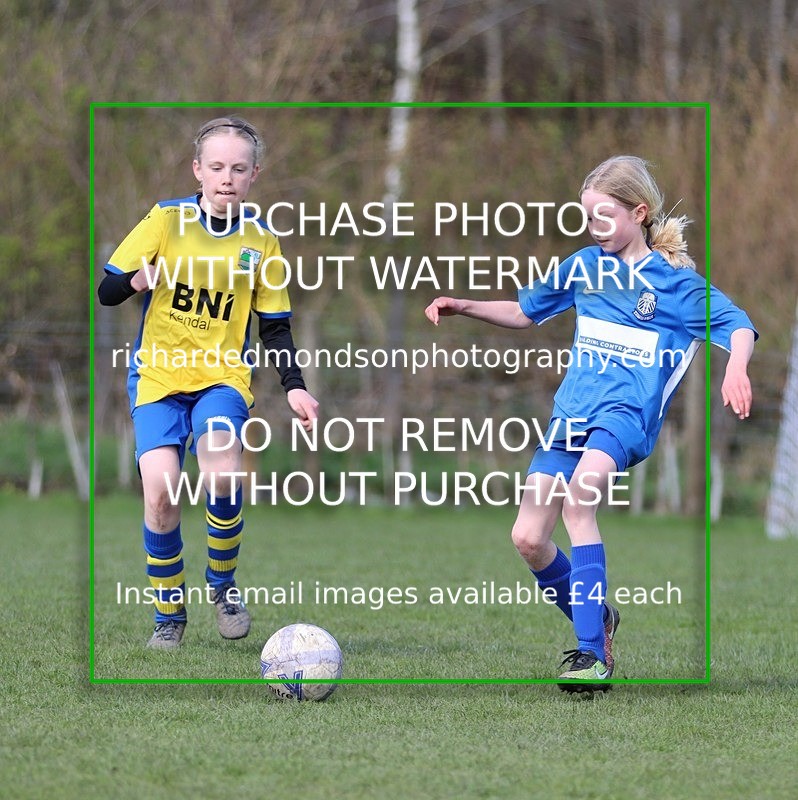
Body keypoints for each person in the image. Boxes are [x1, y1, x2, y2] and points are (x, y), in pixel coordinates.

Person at [424, 155, 756, 691]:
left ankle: (590, 657)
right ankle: (599, 619)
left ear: (638, 213)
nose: (593, 227)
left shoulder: (674, 285)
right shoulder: (584, 267)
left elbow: (737, 324)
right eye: (587, 217)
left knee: (579, 502)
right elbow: (526, 310)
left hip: (624, 418)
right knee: (528, 537)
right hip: (571, 414)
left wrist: (736, 368)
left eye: (604, 216)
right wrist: (464, 305)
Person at [98, 116, 319, 649]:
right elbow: (107, 290)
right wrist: (137, 280)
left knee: (221, 469)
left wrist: (294, 385)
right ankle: (169, 616)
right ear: (197, 170)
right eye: (216, 167)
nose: (227, 178)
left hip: (222, 378)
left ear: (254, 174)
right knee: (160, 494)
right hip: (157, 379)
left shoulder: (261, 241)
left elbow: (275, 326)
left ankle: (222, 585)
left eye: (238, 169)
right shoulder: (166, 220)